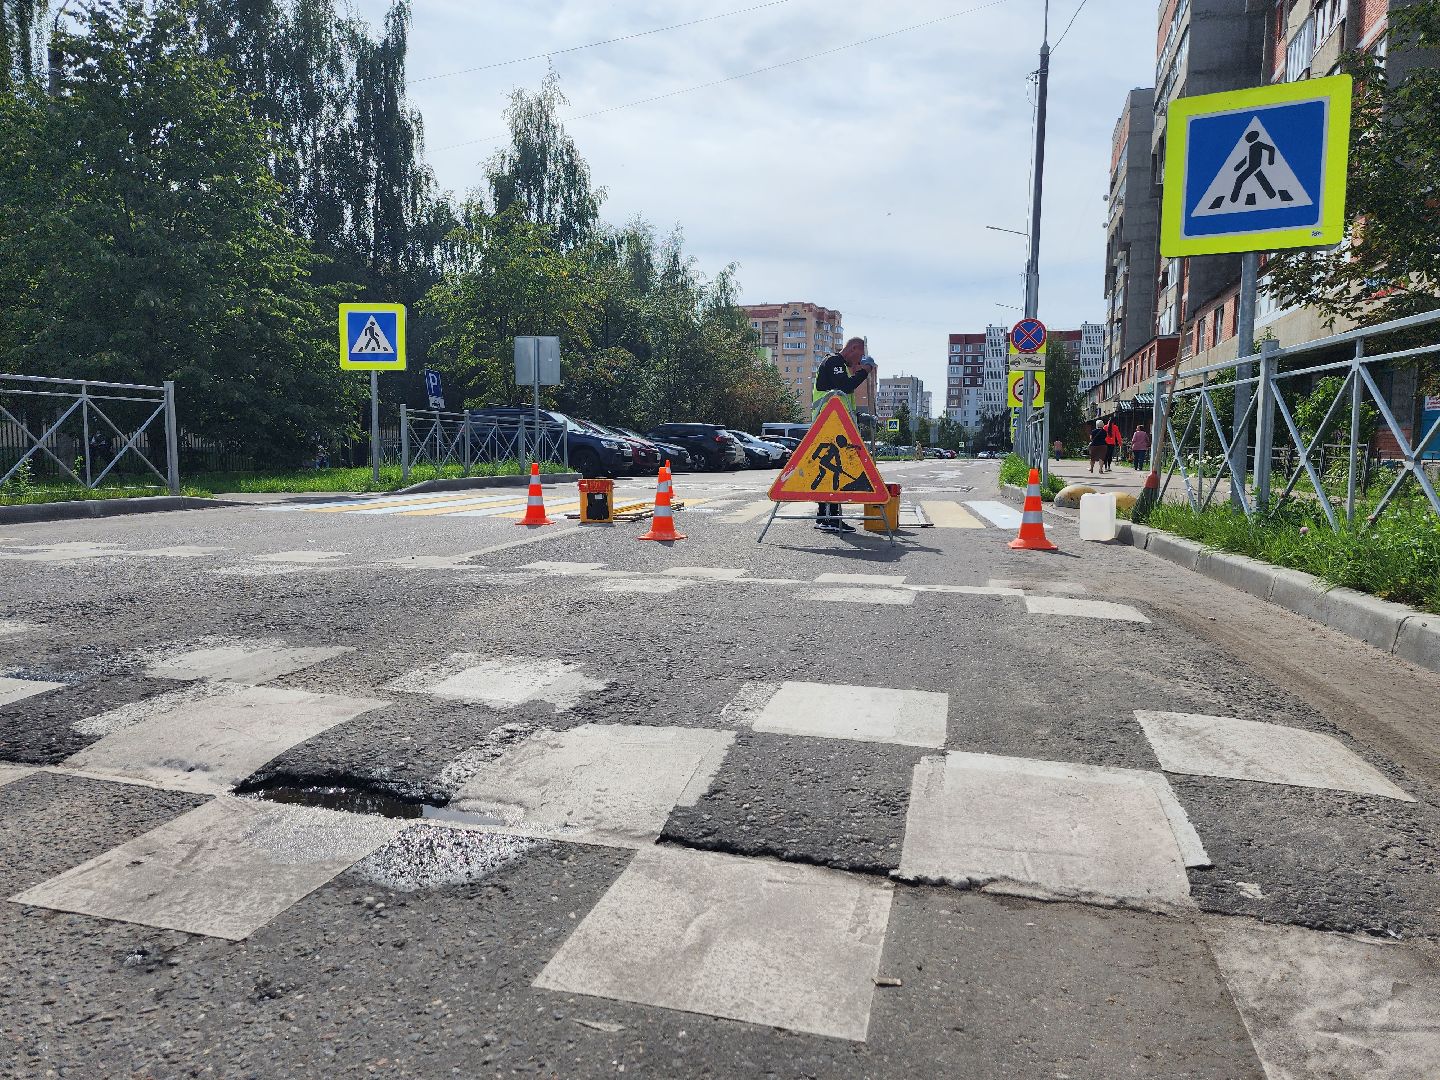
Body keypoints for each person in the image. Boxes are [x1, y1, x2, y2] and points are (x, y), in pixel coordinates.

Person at [813, 337, 876, 531]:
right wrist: (865, 370)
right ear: (853, 348)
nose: (859, 360)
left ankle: (828, 517)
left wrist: (858, 416)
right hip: (827, 425)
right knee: (832, 474)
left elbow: (841, 399)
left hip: (834, 425)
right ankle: (828, 518)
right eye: (860, 355)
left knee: (833, 475)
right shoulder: (834, 361)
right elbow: (845, 387)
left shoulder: (839, 366)